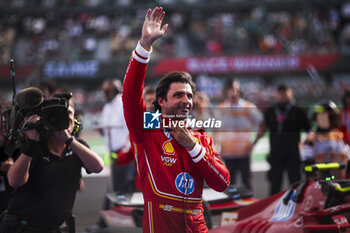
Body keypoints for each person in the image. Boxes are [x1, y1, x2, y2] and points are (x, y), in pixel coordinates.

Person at [122, 7, 230, 233]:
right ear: (161, 101)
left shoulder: (200, 136)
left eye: (189, 95)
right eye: (178, 95)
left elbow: (222, 182)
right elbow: (131, 96)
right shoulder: (147, 129)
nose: (186, 100)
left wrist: (191, 146)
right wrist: (144, 47)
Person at [0, 88, 104, 233]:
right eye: (60, 114)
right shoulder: (34, 147)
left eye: (69, 113)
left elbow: (98, 167)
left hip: (59, 227)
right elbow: (15, 181)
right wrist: (31, 143)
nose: (65, 118)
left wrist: (69, 140)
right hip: (24, 227)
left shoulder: (77, 146)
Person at [255, 84, 310, 195]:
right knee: (275, 185)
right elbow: (263, 128)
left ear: (291, 93)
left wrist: (309, 144)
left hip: (293, 154)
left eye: (285, 92)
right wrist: (254, 141)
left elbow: (309, 130)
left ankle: (296, 208)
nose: (283, 95)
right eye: (280, 93)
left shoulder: (298, 111)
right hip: (276, 154)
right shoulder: (271, 111)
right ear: (276, 95)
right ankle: (273, 210)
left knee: (295, 184)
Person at [215, 79, 263, 190]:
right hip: (227, 153)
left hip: (244, 152)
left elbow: (262, 124)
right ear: (226, 91)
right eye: (231, 90)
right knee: (229, 184)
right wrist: (217, 148)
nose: (234, 93)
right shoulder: (220, 109)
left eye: (236, 90)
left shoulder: (249, 107)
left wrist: (254, 143)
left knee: (247, 183)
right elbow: (216, 130)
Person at [301, 99, 350, 179]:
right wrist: (309, 172)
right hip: (320, 184)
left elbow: (348, 155)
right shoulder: (312, 138)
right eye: (328, 117)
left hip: (340, 183)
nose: (331, 120)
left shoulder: (339, 136)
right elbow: (306, 160)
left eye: (332, 117)